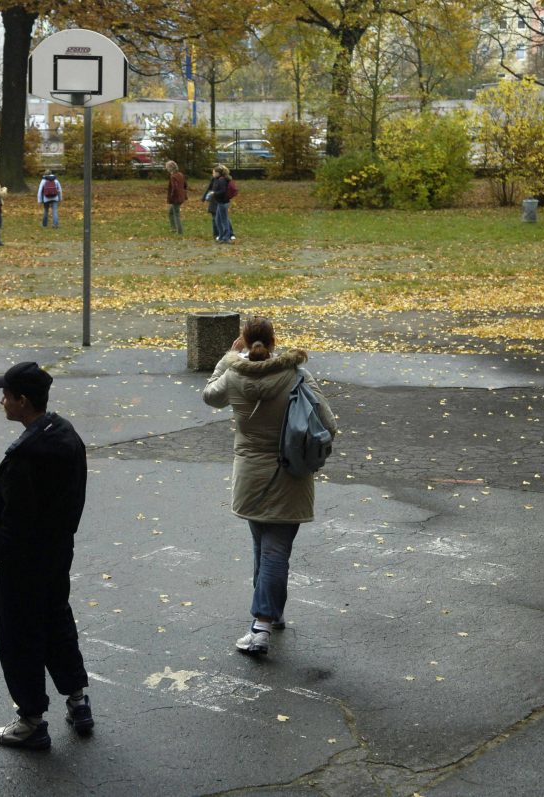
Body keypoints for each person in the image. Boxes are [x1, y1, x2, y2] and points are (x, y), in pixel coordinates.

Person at [0, 361, 94, 749]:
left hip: (25, 561)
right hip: (58, 552)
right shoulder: (65, 434)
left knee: (20, 636)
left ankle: (30, 720)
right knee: (57, 622)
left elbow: (16, 516)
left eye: (6, 395)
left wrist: (1, 551)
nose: (1, 401)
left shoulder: (28, 453)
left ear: (23, 401)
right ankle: (78, 701)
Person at [202, 316, 337, 656]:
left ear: (243, 342)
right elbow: (329, 423)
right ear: (274, 342)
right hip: (290, 473)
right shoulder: (296, 375)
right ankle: (263, 624)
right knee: (276, 551)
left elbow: (209, 395)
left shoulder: (234, 376)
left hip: (250, 474)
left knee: (262, 546)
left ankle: (268, 616)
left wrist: (227, 357)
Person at [165, 160, 187, 234]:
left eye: (167, 167)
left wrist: (171, 196)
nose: (166, 168)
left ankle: (179, 231)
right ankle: (173, 228)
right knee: (171, 212)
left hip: (176, 198)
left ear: (170, 168)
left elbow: (174, 188)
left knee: (176, 214)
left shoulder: (173, 176)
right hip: (181, 196)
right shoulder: (181, 175)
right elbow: (185, 185)